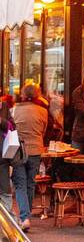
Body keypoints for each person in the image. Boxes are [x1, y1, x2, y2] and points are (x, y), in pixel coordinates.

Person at [11, 82, 48, 231]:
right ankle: (27, 215)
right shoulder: (42, 111)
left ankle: (24, 217)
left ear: (23, 95)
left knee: (20, 184)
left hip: (18, 150)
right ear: (37, 95)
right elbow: (43, 130)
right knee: (30, 183)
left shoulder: (13, 111)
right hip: (35, 149)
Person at [0, 98, 16, 214]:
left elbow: (12, 127)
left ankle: (9, 225)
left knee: (5, 190)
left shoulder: (4, 106)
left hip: (2, 157)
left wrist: (2, 122)